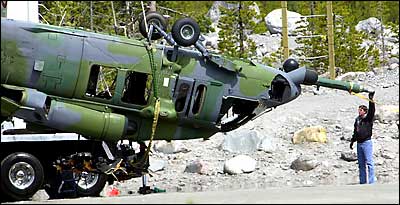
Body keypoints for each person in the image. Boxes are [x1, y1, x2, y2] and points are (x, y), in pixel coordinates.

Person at [350, 91, 376, 184]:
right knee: (361, 164)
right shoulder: (357, 120)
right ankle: (363, 182)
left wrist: (371, 99)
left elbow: (372, 110)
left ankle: (372, 181)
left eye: (360, 110)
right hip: (359, 143)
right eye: (358, 110)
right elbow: (355, 131)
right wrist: (352, 141)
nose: (359, 111)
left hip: (366, 143)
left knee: (369, 162)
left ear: (365, 111)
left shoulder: (368, 119)